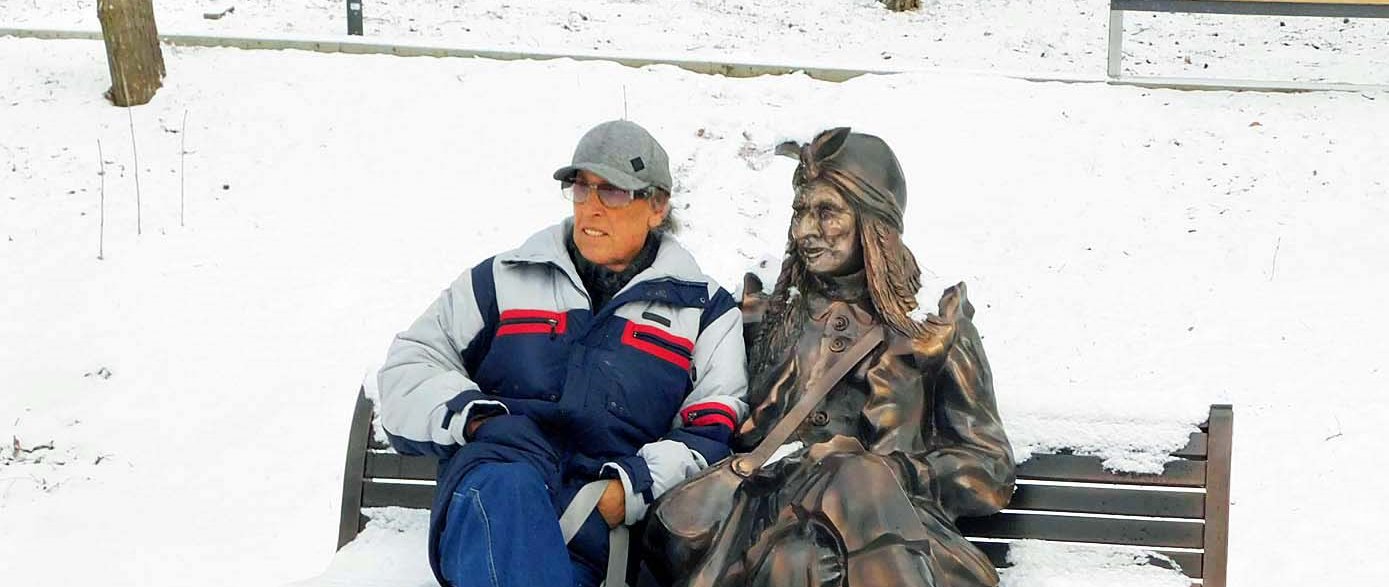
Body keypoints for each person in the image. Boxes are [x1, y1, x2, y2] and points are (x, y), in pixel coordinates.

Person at [378, 120, 748, 587]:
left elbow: (711, 432)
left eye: (613, 192)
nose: (591, 206)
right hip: (495, 500)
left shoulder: (702, 311)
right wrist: (476, 419)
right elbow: (411, 364)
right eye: (581, 187)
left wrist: (631, 485)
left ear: (658, 206)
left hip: (597, 532)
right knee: (509, 489)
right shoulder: (503, 279)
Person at [646, 127, 1015, 587]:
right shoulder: (762, 318)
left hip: (901, 530)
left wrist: (892, 472)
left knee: (830, 518)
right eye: (800, 212)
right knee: (798, 552)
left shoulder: (933, 329)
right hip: (760, 525)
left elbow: (989, 468)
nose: (805, 231)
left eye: (826, 213)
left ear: (873, 221)